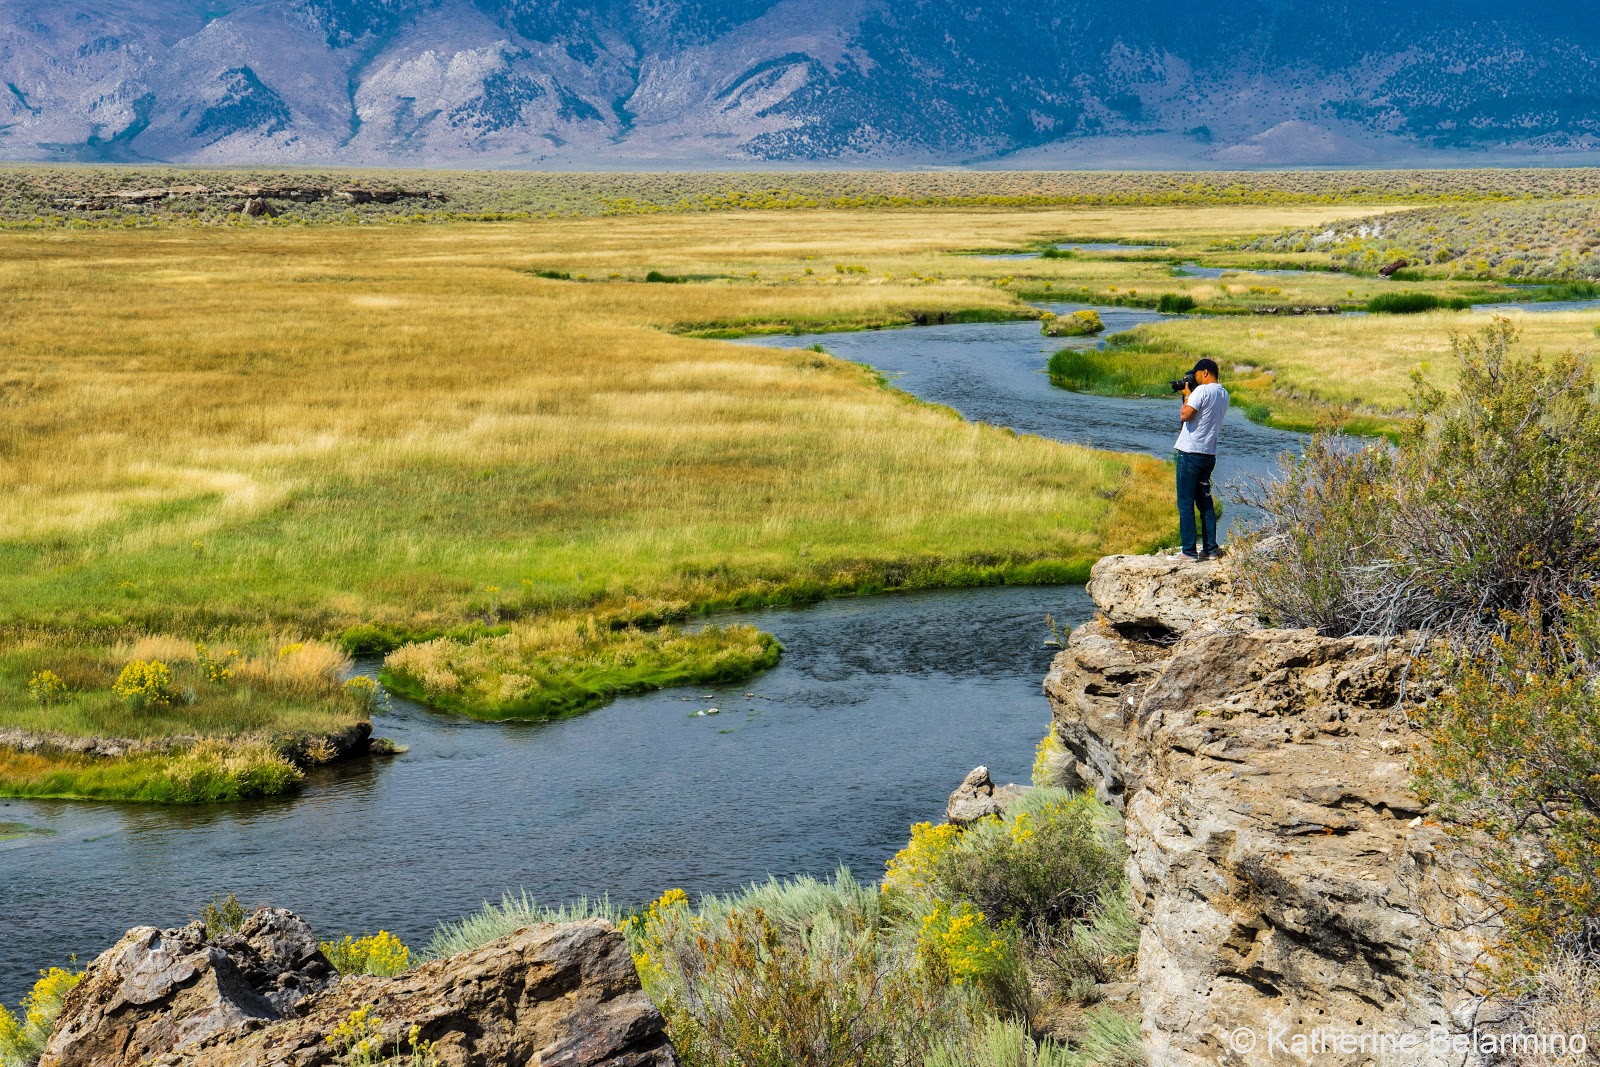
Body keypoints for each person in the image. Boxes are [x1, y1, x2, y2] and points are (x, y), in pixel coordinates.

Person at [1174, 358, 1229, 561]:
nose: (1194, 379)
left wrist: (1187, 396)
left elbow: (1185, 415)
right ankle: (1210, 550)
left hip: (1190, 452)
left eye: (1195, 375)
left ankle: (1188, 551)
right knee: (1205, 502)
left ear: (1205, 372)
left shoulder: (1201, 391)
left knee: (1186, 502)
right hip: (1209, 454)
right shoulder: (1224, 394)